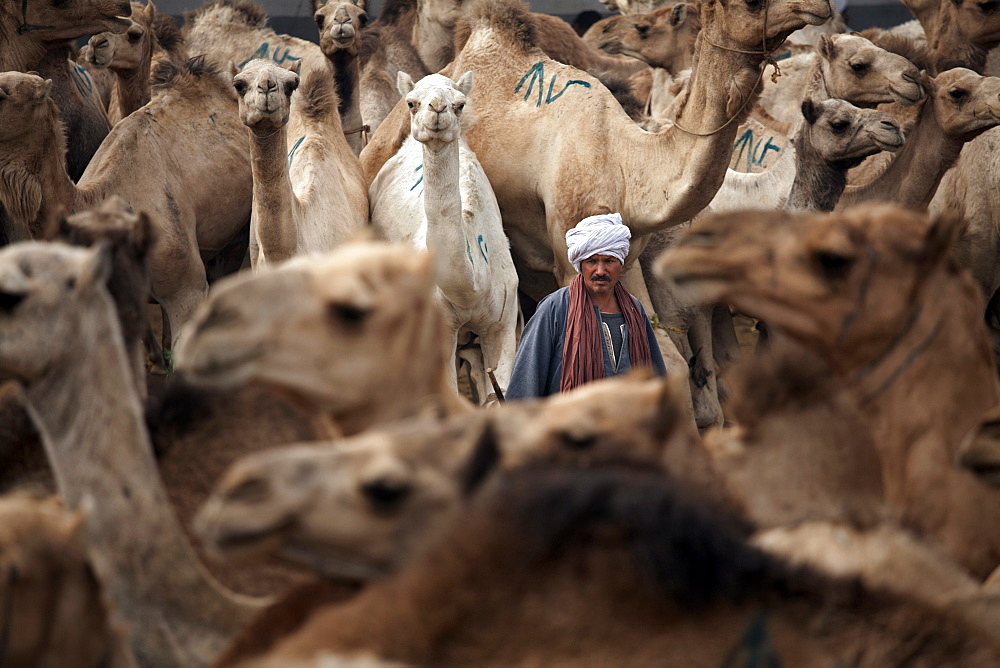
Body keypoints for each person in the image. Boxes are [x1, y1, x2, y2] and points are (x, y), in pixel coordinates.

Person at [505, 213, 666, 400]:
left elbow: (656, 379)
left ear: (620, 264)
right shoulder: (556, 308)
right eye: (591, 261)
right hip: (572, 425)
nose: (600, 271)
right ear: (580, 264)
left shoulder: (634, 309)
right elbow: (527, 380)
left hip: (627, 425)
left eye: (609, 261)